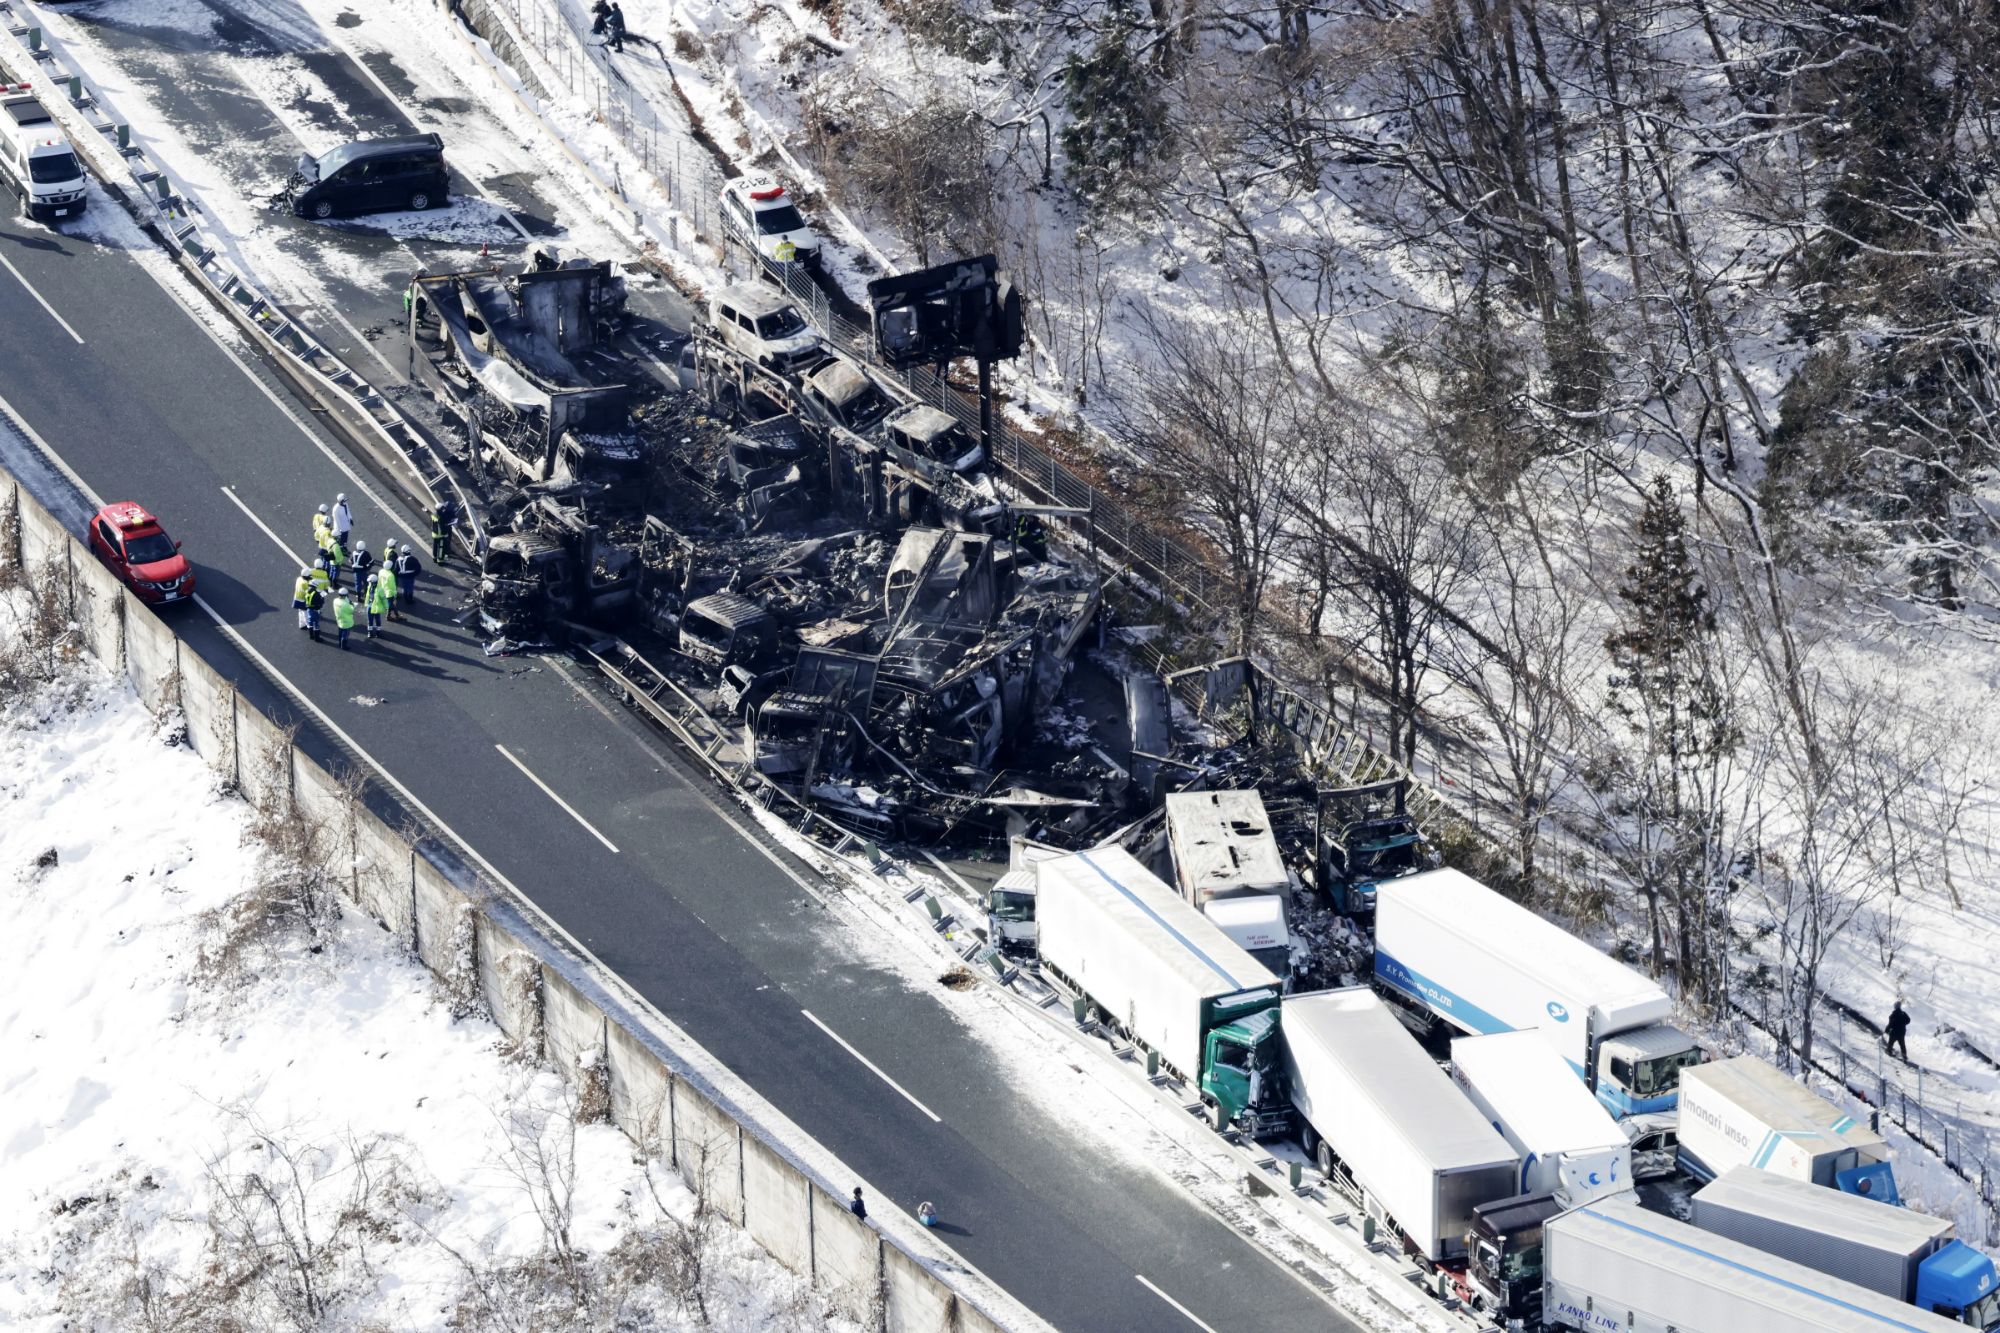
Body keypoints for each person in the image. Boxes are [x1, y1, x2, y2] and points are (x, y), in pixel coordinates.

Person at [395, 541, 421, 611]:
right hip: (410, 577)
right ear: (409, 551)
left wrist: (397, 575)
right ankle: (409, 600)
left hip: (402, 577)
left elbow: (396, 569)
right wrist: (415, 574)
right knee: (410, 588)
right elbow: (418, 568)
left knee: (404, 587)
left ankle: (405, 597)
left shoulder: (398, 559)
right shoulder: (412, 559)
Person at [431, 498, 457, 564]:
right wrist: (445, 534)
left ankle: (434, 558)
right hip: (440, 535)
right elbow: (442, 527)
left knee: (435, 546)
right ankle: (440, 561)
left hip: (434, 533)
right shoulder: (441, 517)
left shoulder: (434, 514)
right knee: (441, 548)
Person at [365, 571, 390, 638]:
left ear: (373, 582)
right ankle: (370, 632)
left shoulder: (380, 590)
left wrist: (386, 607)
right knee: (369, 620)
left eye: (370, 582)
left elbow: (384, 599)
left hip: (376, 607)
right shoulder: (369, 587)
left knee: (377, 620)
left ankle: (378, 632)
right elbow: (368, 595)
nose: (369, 583)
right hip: (370, 606)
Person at [376, 557, 400, 623]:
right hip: (389, 592)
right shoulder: (391, 575)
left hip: (382, 590)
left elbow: (379, 581)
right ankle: (390, 615)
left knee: (391, 604)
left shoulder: (381, 571)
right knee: (392, 604)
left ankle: (395, 615)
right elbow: (393, 586)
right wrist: (395, 594)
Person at [292, 566, 312, 630]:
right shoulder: (305, 583)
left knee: (300, 611)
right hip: (302, 600)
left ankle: (301, 625)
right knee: (306, 613)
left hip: (296, 598)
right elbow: (308, 593)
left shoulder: (299, 579)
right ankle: (309, 625)